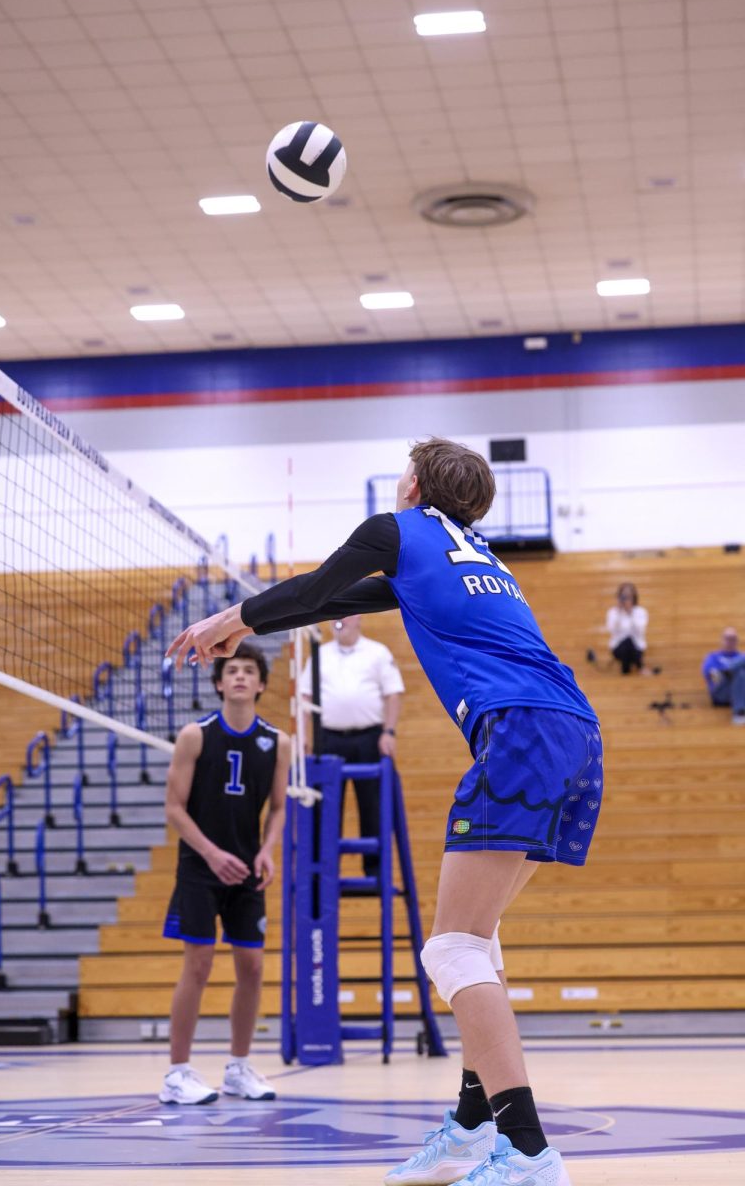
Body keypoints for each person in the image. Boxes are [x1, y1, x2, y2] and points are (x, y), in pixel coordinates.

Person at [168, 437, 601, 1186]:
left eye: (405, 469)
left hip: (521, 731)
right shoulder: (480, 556)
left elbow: (316, 587)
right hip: (578, 733)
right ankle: (471, 1128)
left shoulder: (397, 528)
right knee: (478, 939)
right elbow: (339, 600)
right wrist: (251, 625)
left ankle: (529, 1152)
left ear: (416, 484)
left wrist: (225, 619)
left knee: (453, 951)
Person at [159, 643, 290, 1106]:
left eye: (249, 670)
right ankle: (177, 1073)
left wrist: (268, 851)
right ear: (218, 682)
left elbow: (279, 808)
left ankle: (237, 1068)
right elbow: (174, 808)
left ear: (261, 684)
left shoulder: (278, 742)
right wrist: (212, 854)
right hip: (200, 867)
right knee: (198, 964)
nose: (239, 676)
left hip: (247, 868)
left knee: (252, 967)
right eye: (231, 670)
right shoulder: (195, 736)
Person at [301, 614, 404, 877]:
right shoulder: (319, 654)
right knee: (325, 809)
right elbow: (305, 697)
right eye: (334, 616)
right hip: (328, 739)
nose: (339, 620)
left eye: (344, 615)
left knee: (372, 806)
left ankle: (375, 873)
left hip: (369, 738)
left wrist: (389, 732)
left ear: (358, 618)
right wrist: (303, 736)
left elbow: (393, 693)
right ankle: (324, 875)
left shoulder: (377, 652)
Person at [702, 626, 745, 725]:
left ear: (736, 641)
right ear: (722, 640)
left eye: (733, 639)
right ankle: (728, 672)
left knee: (740, 674)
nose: (730, 642)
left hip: (740, 690)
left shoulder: (740, 656)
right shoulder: (713, 657)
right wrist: (723, 675)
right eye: (728, 638)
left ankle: (740, 712)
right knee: (740, 667)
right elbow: (714, 677)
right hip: (721, 691)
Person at [606, 582, 650, 674]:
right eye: (624, 597)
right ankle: (640, 667)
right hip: (618, 648)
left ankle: (626, 669)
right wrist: (619, 612)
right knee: (626, 642)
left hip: (636, 648)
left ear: (633, 597)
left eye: (628, 597)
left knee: (629, 641)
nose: (626, 600)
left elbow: (639, 631)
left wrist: (630, 613)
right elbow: (612, 630)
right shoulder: (613, 612)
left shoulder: (640, 612)